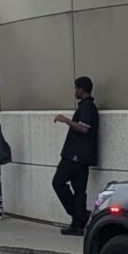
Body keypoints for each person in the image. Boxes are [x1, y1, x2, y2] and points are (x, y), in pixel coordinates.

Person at [52, 76, 99, 235]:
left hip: (75, 155)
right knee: (79, 190)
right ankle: (77, 225)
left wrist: (65, 120)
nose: (74, 91)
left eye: (76, 88)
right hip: (83, 157)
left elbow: (84, 128)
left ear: (82, 89)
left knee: (58, 182)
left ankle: (80, 216)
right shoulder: (89, 106)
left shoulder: (86, 107)